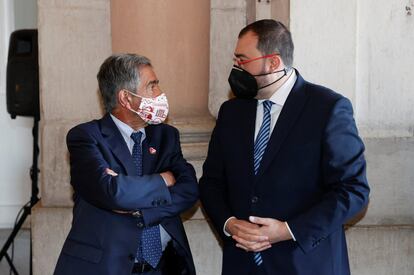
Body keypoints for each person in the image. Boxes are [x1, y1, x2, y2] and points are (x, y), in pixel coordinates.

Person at [199, 19, 370, 275]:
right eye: (235, 60)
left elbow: (353, 191)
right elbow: (211, 182)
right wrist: (229, 223)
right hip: (242, 265)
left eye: (243, 60)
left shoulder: (328, 108)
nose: (236, 68)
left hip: (305, 264)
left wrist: (288, 230)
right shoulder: (231, 112)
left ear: (274, 62)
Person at [54, 53, 198, 275]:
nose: (160, 93)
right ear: (126, 98)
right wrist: (164, 179)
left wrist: (143, 212)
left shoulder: (166, 136)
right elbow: (112, 193)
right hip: (105, 267)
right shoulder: (86, 137)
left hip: (165, 266)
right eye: (152, 86)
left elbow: (189, 190)